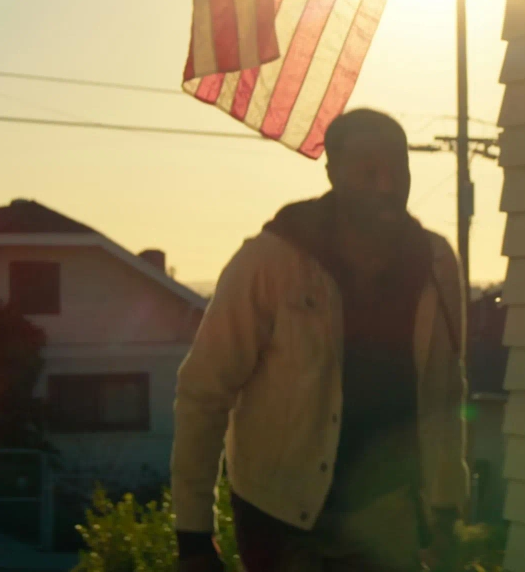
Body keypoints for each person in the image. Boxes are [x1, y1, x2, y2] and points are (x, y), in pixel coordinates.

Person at [173, 109, 469, 572]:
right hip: (280, 517)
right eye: (368, 170)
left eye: (398, 168)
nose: (387, 185)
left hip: (388, 517)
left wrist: (446, 509)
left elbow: (446, 394)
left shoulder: (435, 262)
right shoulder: (271, 259)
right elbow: (203, 392)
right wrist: (193, 536)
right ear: (333, 173)